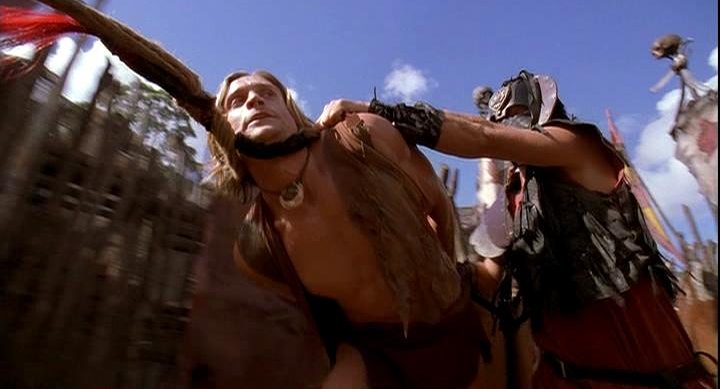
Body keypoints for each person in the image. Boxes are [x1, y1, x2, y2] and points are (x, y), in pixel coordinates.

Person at [318, 70, 715, 388]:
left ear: (543, 108)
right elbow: (489, 275)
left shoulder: (576, 146)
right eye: (500, 116)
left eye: (514, 111)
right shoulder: (513, 197)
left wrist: (377, 110)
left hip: (647, 373)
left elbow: (483, 136)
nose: (505, 122)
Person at [206, 70, 493, 388]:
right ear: (223, 130)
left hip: (453, 317)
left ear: (291, 113)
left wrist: (446, 278)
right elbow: (315, 309)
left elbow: (440, 205)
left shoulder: (360, 141)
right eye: (237, 101)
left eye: (268, 93)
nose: (254, 100)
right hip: (377, 350)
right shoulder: (255, 248)